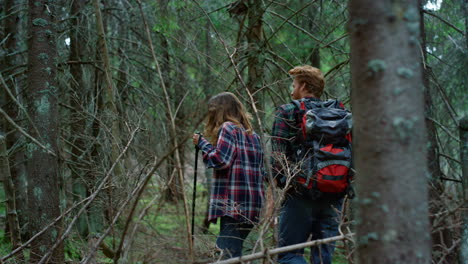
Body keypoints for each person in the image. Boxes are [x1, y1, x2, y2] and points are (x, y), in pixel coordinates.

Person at [271, 65, 346, 264]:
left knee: (289, 254)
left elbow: (277, 159)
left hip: (299, 193)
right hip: (334, 193)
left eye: (293, 84)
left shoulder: (287, 111)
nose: (291, 89)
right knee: (323, 257)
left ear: (303, 86)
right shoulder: (338, 114)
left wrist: (284, 185)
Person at [192, 92, 265, 259]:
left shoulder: (228, 128)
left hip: (234, 205)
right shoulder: (253, 135)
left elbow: (221, 160)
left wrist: (202, 144)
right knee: (233, 254)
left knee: (225, 256)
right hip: (252, 205)